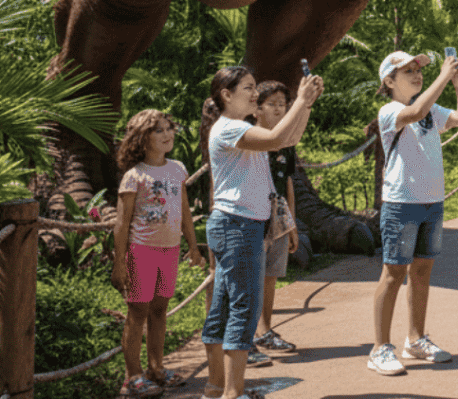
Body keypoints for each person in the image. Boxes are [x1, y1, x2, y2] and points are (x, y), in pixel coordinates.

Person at [199, 65, 324, 399]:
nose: (256, 93)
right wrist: (300, 99)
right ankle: (233, 392)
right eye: (248, 88)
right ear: (226, 95)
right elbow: (276, 138)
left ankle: (216, 387)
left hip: (241, 225)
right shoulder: (227, 129)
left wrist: (306, 104)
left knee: (225, 308)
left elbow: (289, 138)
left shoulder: (241, 128)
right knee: (243, 309)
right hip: (237, 226)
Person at [369, 50, 458, 377]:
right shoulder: (390, 110)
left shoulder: (431, 109)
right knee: (394, 273)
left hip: (432, 201)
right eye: (408, 71)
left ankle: (415, 340)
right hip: (402, 204)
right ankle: (379, 348)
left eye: (419, 69)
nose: (417, 74)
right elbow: (414, 112)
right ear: (389, 81)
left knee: (422, 271)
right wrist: (443, 75)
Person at [112, 109, 206, 398]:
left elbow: (185, 212)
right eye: (159, 130)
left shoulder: (177, 169)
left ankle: (156, 367)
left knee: (160, 310)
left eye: (170, 128)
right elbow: (121, 223)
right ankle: (132, 377)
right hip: (141, 252)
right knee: (137, 311)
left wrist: (193, 245)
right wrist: (119, 264)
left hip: (170, 251)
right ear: (143, 138)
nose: (168, 134)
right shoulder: (134, 176)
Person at [252, 80, 300, 358]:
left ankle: (265, 331)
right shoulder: (249, 137)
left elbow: (288, 183)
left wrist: (291, 223)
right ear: (256, 108)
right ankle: (246, 337)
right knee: (252, 277)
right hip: (254, 213)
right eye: (272, 104)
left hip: (279, 212)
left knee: (271, 276)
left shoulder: (286, 142)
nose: (279, 109)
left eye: (283, 104)